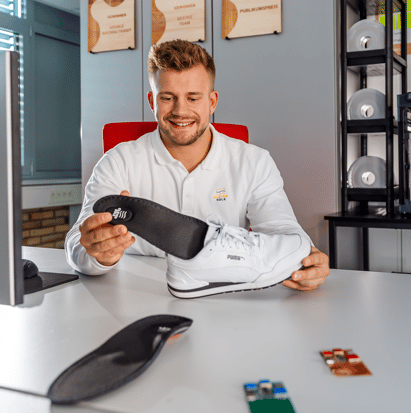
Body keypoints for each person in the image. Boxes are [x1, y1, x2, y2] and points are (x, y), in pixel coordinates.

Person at [65, 39, 329, 291]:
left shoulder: (254, 162)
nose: (180, 110)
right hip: (133, 297)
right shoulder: (118, 161)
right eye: (167, 97)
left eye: (193, 98)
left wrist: (306, 259)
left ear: (212, 102)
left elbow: (284, 232)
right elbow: (77, 241)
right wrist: (96, 253)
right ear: (152, 102)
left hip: (224, 298)